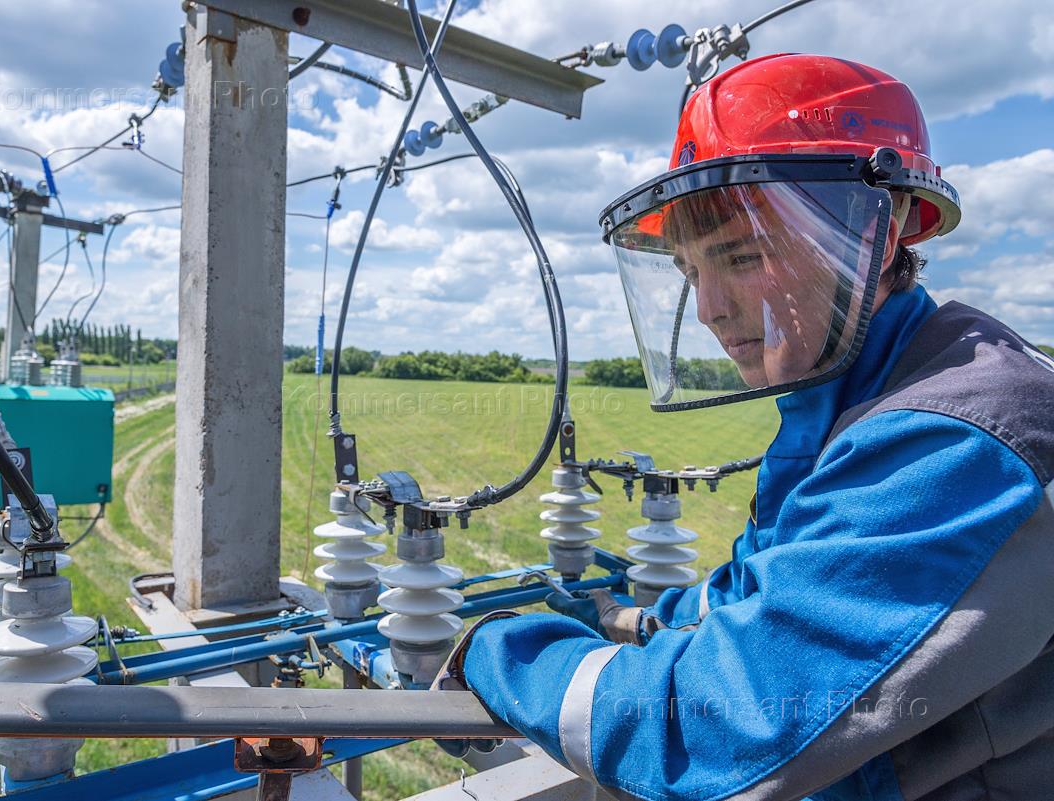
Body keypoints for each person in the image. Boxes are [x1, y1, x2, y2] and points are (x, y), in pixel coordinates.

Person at [439, 54, 1054, 800]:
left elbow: (719, 727)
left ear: (880, 232)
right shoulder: (858, 396)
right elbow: (764, 585)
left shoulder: (954, 440)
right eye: (690, 270)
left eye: (740, 255)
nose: (708, 307)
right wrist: (637, 620)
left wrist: (497, 651)